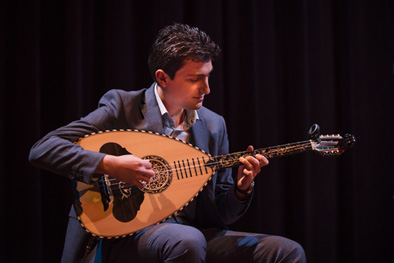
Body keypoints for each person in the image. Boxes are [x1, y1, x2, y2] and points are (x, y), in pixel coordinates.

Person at [29, 23, 306, 263]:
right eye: (195, 79)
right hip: (125, 234)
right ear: (163, 77)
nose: (207, 88)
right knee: (187, 241)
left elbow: (220, 213)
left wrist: (241, 189)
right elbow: (44, 148)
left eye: (208, 76)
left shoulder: (212, 125)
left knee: (285, 251)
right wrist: (110, 164)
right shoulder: (121, 107)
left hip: (193, 233)